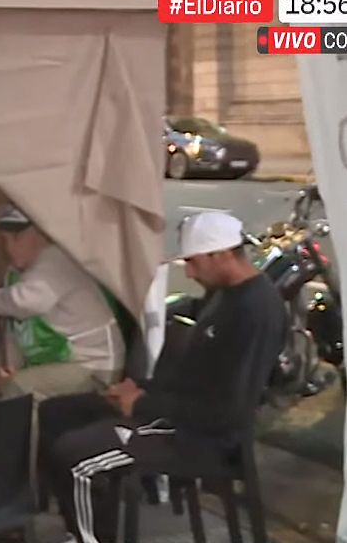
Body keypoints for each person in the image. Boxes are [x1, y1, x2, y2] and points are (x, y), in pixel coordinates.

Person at [39, 212, 287, 543]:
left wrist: (143, 402)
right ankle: (87, 526)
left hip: (200, 437)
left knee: (75, 457)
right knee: (57, 413)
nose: (190, 272)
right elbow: (192, 379)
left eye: (194, 262)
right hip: (177, 412)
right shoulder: (223, 295)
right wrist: (139, 388)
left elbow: (226, 410)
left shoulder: (256, 311)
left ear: (223, 254)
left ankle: (88, 536)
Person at [0, 206, 125, 403]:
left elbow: (24, 302)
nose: (9, 247)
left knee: (21, 387)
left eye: (17, 237)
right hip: (53, 362)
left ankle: (16, 434)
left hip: (93, 365)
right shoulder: (17, 274)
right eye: (5, 239)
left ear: (41, 234)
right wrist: (7, 366)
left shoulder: (56, 260)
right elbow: (14, 327)